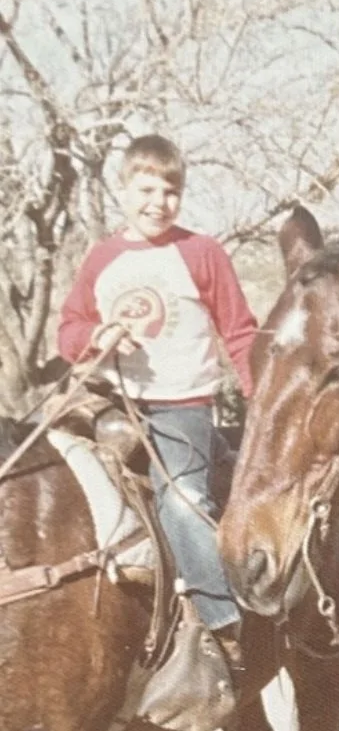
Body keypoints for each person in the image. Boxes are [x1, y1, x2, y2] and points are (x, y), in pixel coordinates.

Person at [57, 134, 257, 676]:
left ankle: (221, 627)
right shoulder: (103, 257)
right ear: (123, 191)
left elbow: (240, 332)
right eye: (146, 190)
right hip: (106, 400)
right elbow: (69, 329)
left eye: (171, 192)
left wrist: (259, 397)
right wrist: (96, 337)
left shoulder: (201, 253)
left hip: (179, 406)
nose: (158, 203)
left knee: (184, 501)